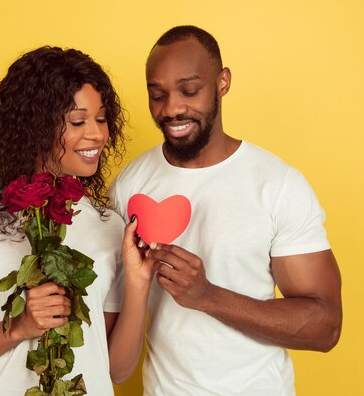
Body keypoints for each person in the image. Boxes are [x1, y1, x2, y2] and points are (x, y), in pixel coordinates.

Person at [109, 25, 343, 396]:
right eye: (158, 95)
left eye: (189, 90)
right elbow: (114, 327)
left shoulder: (277, 185)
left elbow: (325, 326)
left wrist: (207, 296)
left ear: (222, 82)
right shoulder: (129, 185)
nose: (172, 108)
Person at [0, 46, 151, 396]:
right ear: (35, 126)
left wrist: (138, 283)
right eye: (78, 121)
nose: (97, 135)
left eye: (102, 118)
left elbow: (118, 370)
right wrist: (19, 327)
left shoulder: (109, 227)